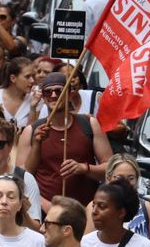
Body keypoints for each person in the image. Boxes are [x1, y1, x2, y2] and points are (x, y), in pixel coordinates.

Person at [18, 73, 110, 211]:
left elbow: (110, 168)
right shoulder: (31, 131)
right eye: (48, 92)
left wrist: (84, 168)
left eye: (59, 90)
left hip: (85, 211)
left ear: (70, 94)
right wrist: (45, 205)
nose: (53, 95)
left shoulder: (89, 124)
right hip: (45, 212)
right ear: (43, 97)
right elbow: (21, 178)